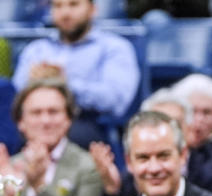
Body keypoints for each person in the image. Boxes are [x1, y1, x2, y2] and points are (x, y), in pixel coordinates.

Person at [12, 0, 141, 148]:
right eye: (58, 6)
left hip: (89, 123)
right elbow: (16, 94)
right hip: (37, 121)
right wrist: (34, 84)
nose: (65, 13)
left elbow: (115, 100)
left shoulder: (114, 47)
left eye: (74, 4)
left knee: (71, 134)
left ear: (93, 9)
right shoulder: (37, 49)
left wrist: (64, 84)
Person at [0, 78, 102, 196]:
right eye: (36, 113)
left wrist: (40, 187)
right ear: (21, 122)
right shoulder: (8, 167)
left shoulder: (88, 167)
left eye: (53, 112)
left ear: (68, 119)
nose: (45, 121)